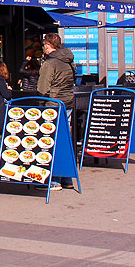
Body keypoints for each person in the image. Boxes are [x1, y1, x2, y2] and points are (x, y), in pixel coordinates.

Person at [38, 33, 76, 190]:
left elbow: (42, 88)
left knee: (51, 141)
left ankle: (54, 179)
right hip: (67, 103)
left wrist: (39, 104)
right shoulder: (69, 60)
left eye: (44, 45)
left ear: (48, 46)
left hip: (53, 105)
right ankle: (67, 178)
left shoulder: (50, 63)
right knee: (64, 139)